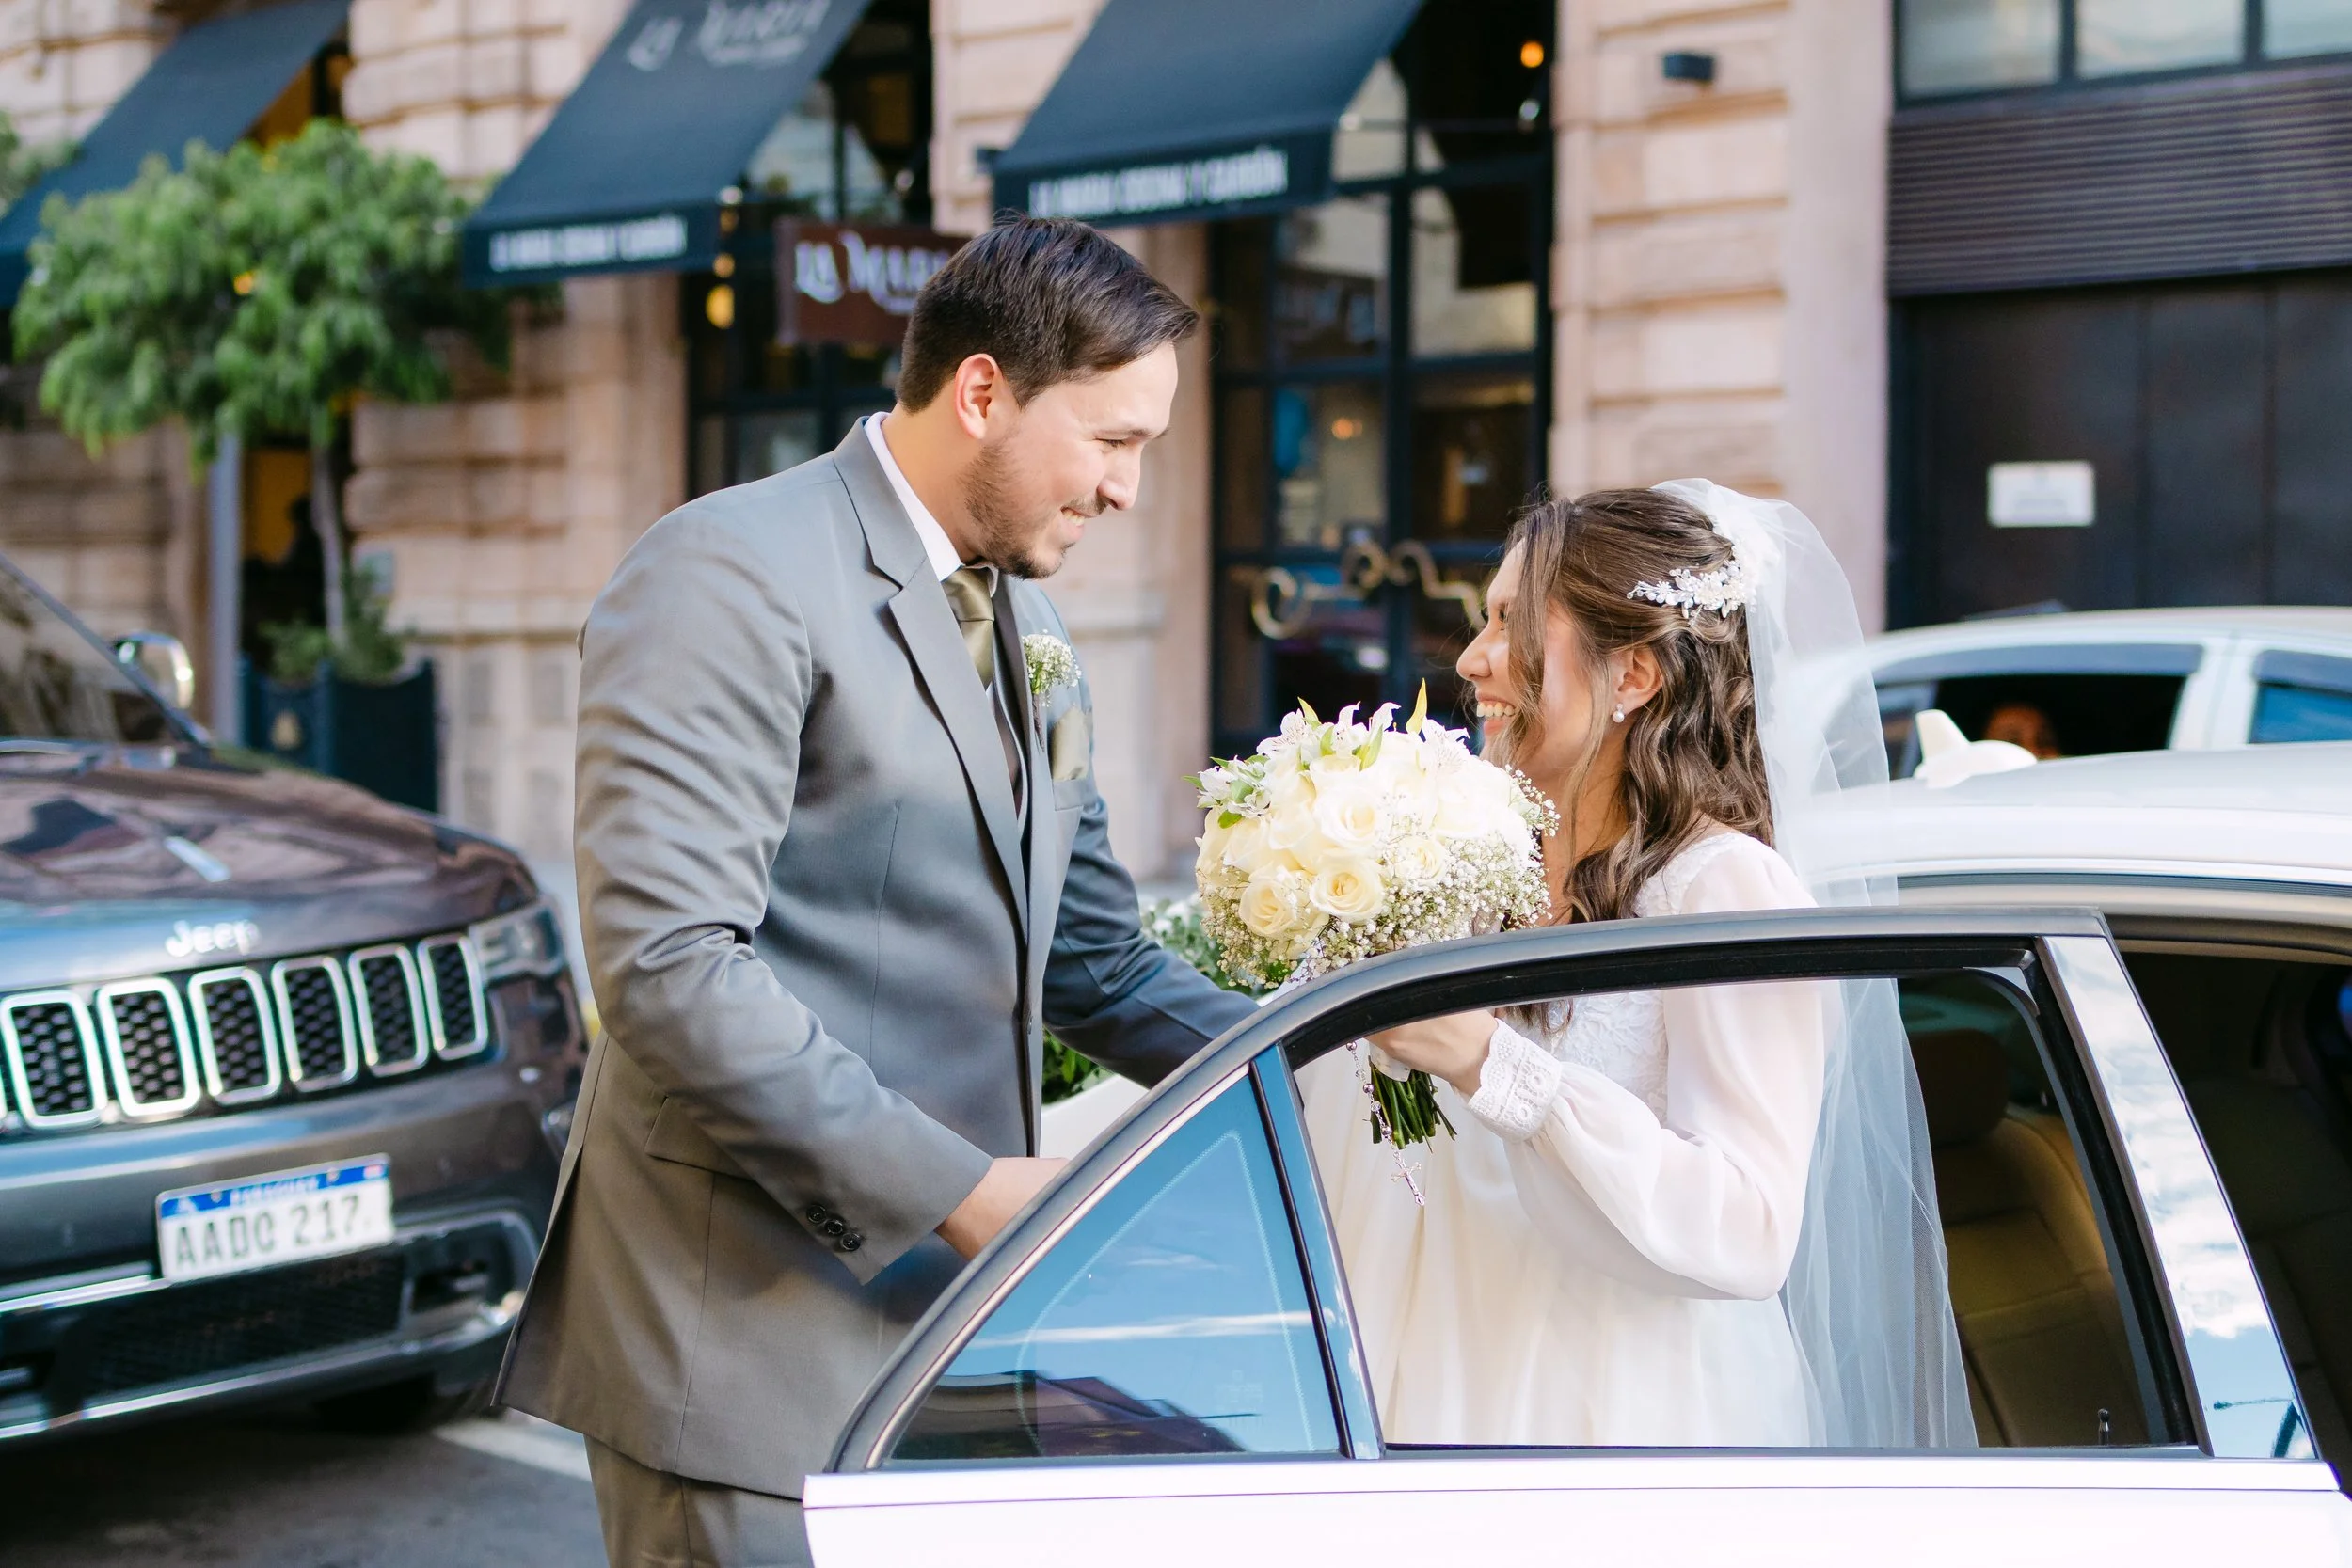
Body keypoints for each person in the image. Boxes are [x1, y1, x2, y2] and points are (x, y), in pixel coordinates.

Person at [498, 218, 1259, 1567]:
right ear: (982, 392)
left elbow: (1097, 964)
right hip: (737, 1333)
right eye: (1114, 440)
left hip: (950, 1331)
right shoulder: (725, 569)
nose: (1132, 490)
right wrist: (962, 1190)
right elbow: (670, 967)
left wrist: (1320, 1066)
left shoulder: (1035, 624)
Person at [1297, 482, 1972, 1449]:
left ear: (1634, 677)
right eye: (1480, 619)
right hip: (1419, 1366)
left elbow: (1748, 1228)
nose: (1472, 660)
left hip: (1613, 1409)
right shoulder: (1458, 878)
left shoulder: (1724, 890)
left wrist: (1496, 1062)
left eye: (1510, 623)